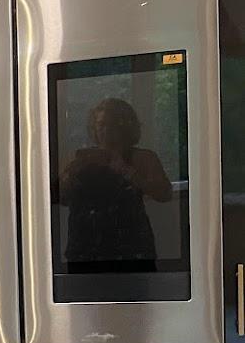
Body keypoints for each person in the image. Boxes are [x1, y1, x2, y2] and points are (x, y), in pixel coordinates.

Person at [55, 96, 172, 268]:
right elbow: (60, 199)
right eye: (100, 125)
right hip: (84, 250)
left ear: (126, 127)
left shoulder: (143, 158)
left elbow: (164, 193)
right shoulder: (80, 157)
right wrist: (71, 173)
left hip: (132, 250)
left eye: (112, 125)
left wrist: (126, 170)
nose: (105, 131)